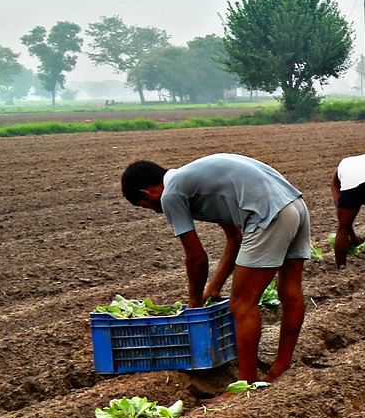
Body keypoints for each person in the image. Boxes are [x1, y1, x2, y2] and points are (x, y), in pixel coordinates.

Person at [120, 153, 311, 383]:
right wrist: (214, 286)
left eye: (147, 207)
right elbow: (235, 238)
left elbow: (196, 258)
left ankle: (246, 386)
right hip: (296, 206)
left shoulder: (171, 194)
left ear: (147, 192)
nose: (155, 211)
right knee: (290, 291)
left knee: (242, 304)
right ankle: (280, 369)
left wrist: (194, 303)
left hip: (268, 214)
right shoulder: (198, 181)